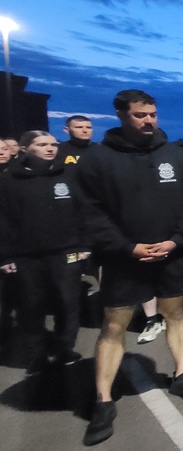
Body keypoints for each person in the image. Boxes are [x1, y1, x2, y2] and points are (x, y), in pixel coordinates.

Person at [75, 90, 183, 446]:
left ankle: (181, 375)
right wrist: (127, 247)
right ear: (120, 114)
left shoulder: (178, 157)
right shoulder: (98, 159)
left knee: (175, 314)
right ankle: (103, 400)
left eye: (152, 113)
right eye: (139, 115)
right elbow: (89, 213)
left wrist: (176, 241)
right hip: (124, 259)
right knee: (114, 325)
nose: (148, 120)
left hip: (172, 254)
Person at [0, 131, 87, 376]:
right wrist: (5, 256)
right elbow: (3, 220)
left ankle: (64, 348)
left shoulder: (69, 174)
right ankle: (35, 355)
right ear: (25, 148)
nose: (50, 148)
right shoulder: (9, 180)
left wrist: (85, 244)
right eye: (41, 144)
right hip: (26, 255)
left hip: (66, 251)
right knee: (31, 306)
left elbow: (83, 211)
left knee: (68, 303)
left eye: (53, 144)